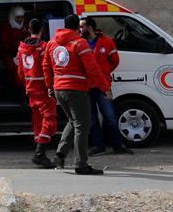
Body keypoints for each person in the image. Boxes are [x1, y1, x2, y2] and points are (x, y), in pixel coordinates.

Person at [43, 13, 108, 175]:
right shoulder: (80, 43)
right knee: (82, 126)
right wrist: (104, 86)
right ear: (77, 27)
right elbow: (92, 68)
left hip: (59, 89)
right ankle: (81, 164)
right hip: (76, 89)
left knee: (73, 122)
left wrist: (50, 86)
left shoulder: (51, 43)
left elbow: (45, 66)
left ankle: (60, 155)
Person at [80, 16, 133, 155]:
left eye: (81, 27)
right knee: (91, 118)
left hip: (102, 85)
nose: (79, 30)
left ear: (89, 27)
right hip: (86, 86)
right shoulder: (80, 43)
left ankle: (118, 145)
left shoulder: (107, 42)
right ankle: (98, 145)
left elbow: (114, 61)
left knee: (109, 116)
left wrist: (104, 74)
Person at [17, 18, 58, 168]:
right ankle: (40, 152)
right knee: (50, 119)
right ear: (41, 30)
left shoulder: (21, 48)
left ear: (29, 30)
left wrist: (27, 84)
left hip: (30, 88)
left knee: (37, 121)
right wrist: (50, 86)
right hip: (43, 88)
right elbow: (47, 69)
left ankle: (40, 150)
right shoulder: (44, 47)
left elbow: (20, 72)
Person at [0, 5, 29, 87]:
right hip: (10, 55)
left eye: (22, 17)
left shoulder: (26, 25)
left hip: (25, 53)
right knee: (16, 73)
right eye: (18, 17)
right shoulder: (6, 26)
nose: (21, 19)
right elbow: (4, 44)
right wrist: (14, 54)